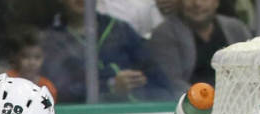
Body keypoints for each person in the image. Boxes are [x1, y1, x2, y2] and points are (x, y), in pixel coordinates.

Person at [42, 0, 173, 103]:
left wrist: (141, 90)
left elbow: (158, 79)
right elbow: (59, 91)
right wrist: (109, 87)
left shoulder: (120, 29)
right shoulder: (51, 40)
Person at [148, 0, 251, 90]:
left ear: (216, 2)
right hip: (190, 105)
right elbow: (172, 83)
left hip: (238, 102)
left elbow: (254, 70)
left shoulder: (236, 28)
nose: (197, 3)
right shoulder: (164, 34)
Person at [0, 23, 57, 100]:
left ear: (44, 58)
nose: (32, 62)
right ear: (16, 57)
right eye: (25, 57)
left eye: (37, 57)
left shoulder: (47, 88)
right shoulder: (6, 80)